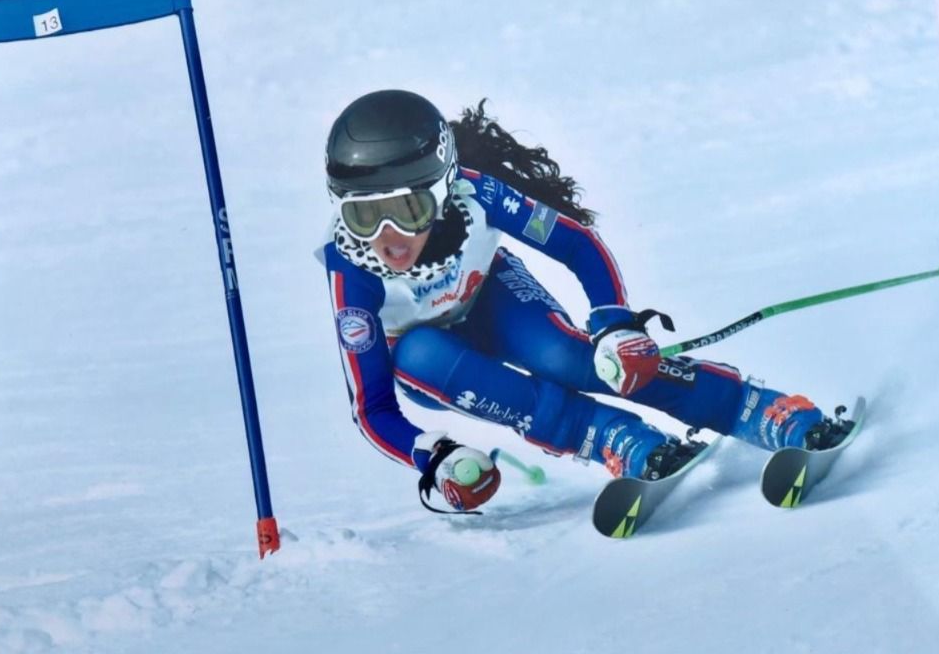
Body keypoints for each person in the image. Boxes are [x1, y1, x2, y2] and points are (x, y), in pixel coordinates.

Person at [318, 89, 852, 514]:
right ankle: (614, 439)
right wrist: (434, 456)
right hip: (435, 365)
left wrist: (614, 327)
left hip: (491, 298)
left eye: (409, 210)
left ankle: (752, 407)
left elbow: (576, 243)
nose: (387, 237)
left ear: (443, 187)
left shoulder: (477, 196)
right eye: (362, 217)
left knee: (571, 359)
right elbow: (373, 408)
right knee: (418, 354)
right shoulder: (354, 275)